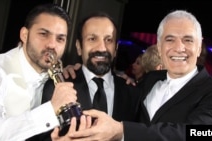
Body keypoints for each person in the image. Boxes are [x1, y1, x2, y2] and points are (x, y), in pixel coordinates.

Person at [53, 10, 212, 141]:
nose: (179, 47)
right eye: (170, 39)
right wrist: (79, 68)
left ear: (199, 47)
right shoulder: (148, 81)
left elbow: (192, 133)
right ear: (159, 46)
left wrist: (122, 131)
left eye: (188, 40)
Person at [36, 11, 142, 141]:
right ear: (79, 47)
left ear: (116, 49)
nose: (102, 48)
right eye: (92, 39)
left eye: (108, 40)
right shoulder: (56, 87)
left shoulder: (132, 94)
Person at [0, 4, 78, 140]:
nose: (52, 45)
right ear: (24, 35)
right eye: (44, 34)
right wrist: (50, 110)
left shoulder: (57, 76)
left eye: (60, 39)